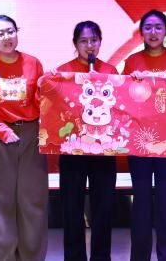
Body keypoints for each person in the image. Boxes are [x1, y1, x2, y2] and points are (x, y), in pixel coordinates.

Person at [0, 15, 48, 260]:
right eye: (0, 33)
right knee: (0, 203)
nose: (7, 37)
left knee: (33, 201)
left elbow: (40, 101)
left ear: (17, 33)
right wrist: (2, 131)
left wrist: (49, 87)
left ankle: (32, 256)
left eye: (11, 31)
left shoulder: (33, 63)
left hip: (31, 137)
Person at [123, 9, 166, 261]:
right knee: (141, 200)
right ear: (141, 32)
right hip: (138, 141)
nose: (153, 32)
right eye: (148, 27)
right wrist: (130, 82)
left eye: (158, 27)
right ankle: (139, 256)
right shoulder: (132, 62)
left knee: (165, 200)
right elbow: (123, 100)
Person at [57, 21, 118, 261]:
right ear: (75, 44)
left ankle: (101, 257)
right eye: (84, 41)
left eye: (94, 40)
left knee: (103, 208)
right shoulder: (63, 72)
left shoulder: (111, 71)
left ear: (100, 42)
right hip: (73, 150)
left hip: (103, 150)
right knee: (71, 207)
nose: (89, 45)